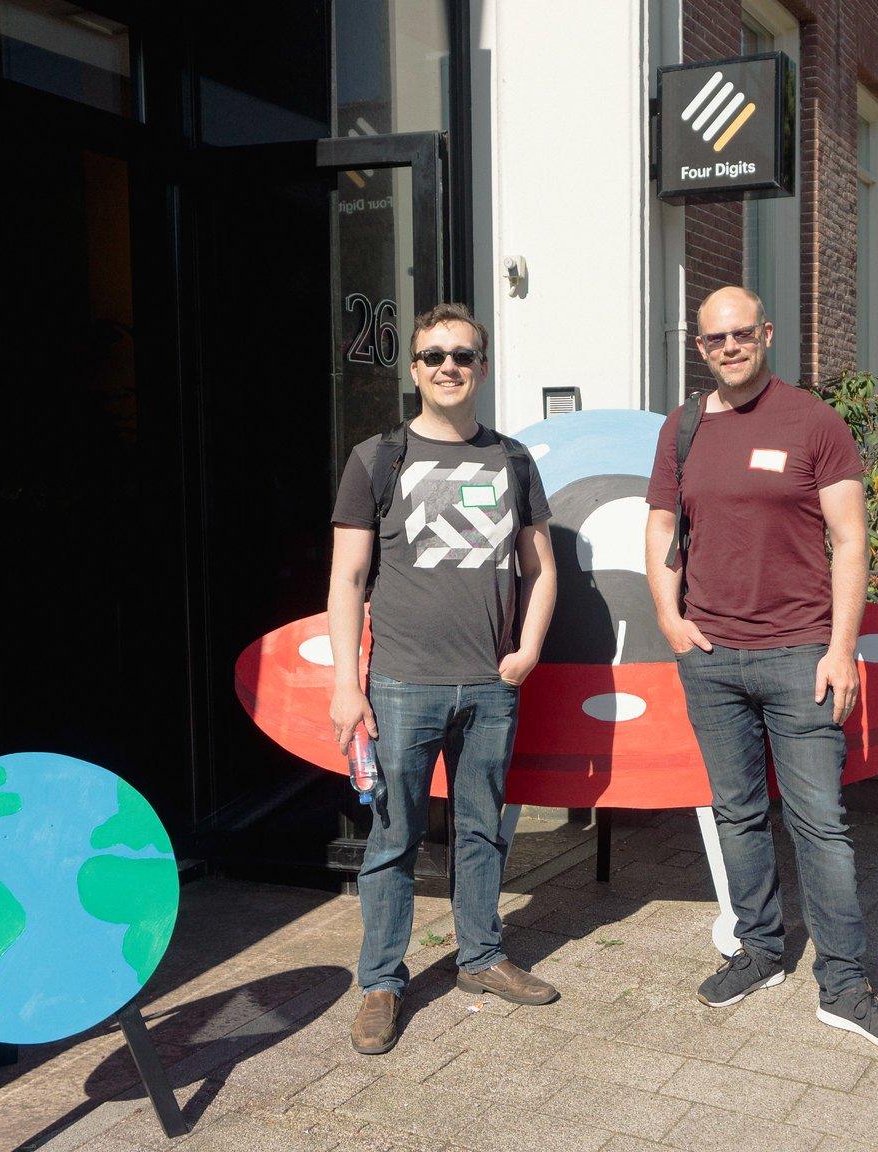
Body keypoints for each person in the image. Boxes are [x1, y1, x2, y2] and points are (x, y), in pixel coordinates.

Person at [642, 285, 878, 1053]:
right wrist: (669, 618)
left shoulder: (812, 422)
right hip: (710, 658)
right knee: (735, 813)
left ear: (766, 333)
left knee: (820, 824)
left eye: (741, 333)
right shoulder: (682, 428)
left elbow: (850, 539)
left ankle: (844, 986)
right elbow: (662, 525)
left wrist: (840, 647)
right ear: (698, 347)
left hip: (801, 655)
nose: (729, 346)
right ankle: (759, 950)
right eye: (714, 338)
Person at [326, 302, 559, 1055]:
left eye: (462, 355)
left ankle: (481, 958)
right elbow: (346, 578)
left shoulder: (513, 461)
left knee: (481, 830)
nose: (448, 366)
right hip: (400, 684)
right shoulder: (376, 458)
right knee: (393, 838)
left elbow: (541, 569)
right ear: (415, 368)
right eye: (434, 356)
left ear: (481, 368)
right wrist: (346, 685)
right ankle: (380, 983)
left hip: (490, 686)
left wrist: (527, 651)